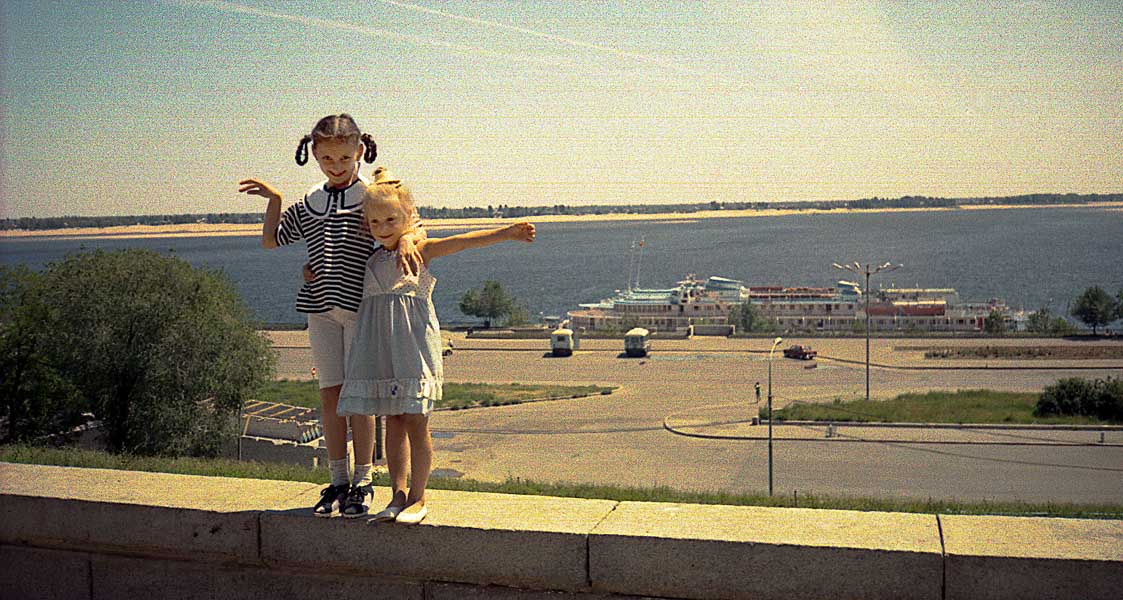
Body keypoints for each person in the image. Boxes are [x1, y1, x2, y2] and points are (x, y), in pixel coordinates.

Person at [238, 114, 424, 518]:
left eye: (343, 156)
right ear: (314, 155)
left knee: (360, 398)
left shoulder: (372, 197)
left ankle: (363, 481)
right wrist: (274, 201)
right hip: (320, 309)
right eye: (326, 159)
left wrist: (408, 236)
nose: (336, 166)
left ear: (360, 151)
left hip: (362, 311)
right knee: (331, 396)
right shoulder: (311, 202)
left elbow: (410, 224)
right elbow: (272, 241)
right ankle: (337, 480)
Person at [338, 174, 535, 524]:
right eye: (376, 221)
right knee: (393, 421)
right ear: (366, 225)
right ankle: (397, 495)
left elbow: (461, 242)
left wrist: (506, 233)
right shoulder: (371, 261)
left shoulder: (420, 251)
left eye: (391, 220)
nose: (383, 227)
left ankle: (419, 497)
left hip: (413, 350)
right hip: (382, 353)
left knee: (416, 422)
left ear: (408, 218)